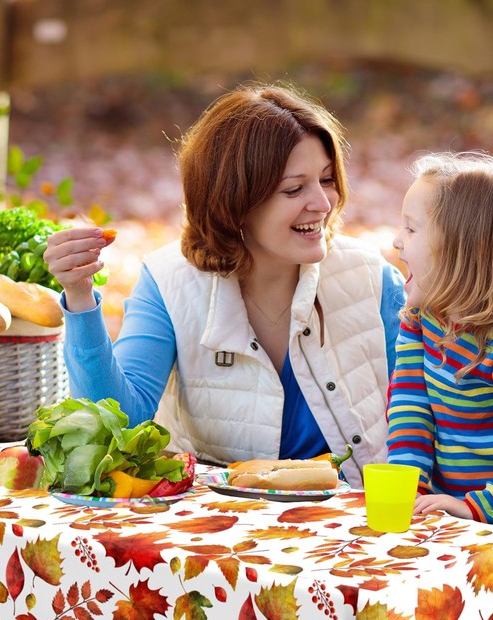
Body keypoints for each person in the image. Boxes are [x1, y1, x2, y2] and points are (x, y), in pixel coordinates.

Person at [44, 82, 405, 487]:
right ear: (235, 202)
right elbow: (118, 423)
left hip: (355, 527)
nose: (322, 203)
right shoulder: (169, 282)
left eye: (326, 180)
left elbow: (427, 415)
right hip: (220, 526)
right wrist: (78, 297)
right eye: (294, 189)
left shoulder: (372, 279)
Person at [387, 152, 493, 525]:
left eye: (412, 229)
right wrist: (409, 486)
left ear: (462, 249)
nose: (397, 241)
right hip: (448, 515)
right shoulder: (421, 322)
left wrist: (476, 508)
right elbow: (410, 406)